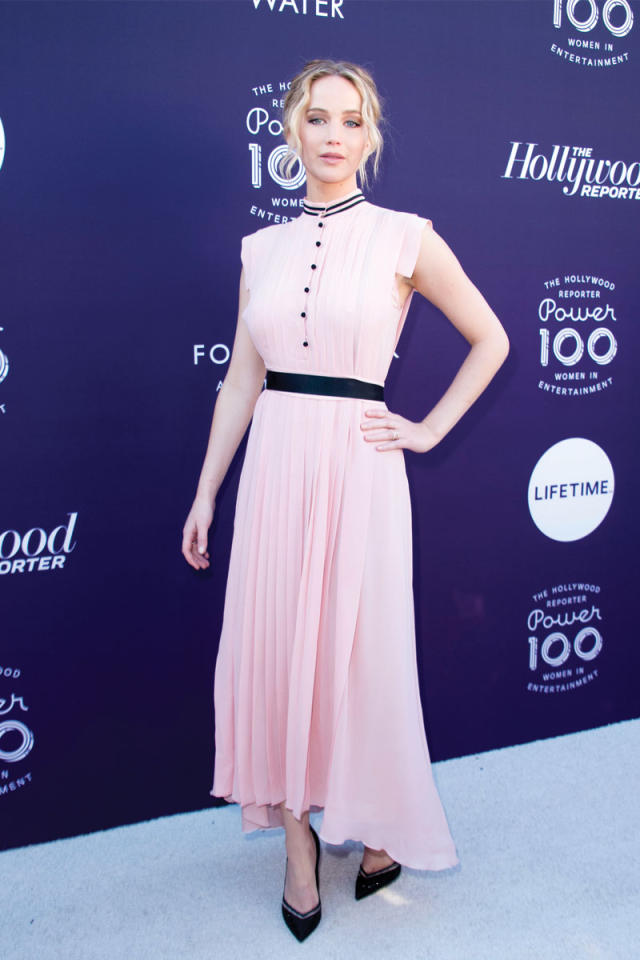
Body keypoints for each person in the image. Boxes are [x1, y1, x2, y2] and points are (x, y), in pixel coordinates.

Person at [182, 58, 509, 942]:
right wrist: (207, 491)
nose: (334, 135)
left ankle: (374, 825)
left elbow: (491, 338)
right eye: (318, 118)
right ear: (292, 130)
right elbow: (242, 382)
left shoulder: (405, 237)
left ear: (371, 136)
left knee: (361, 656)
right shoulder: (261, 251)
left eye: (352, 120)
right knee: (277, 650)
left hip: (361, 467)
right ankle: (298, 845)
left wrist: (429, 428)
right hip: (276, 465)